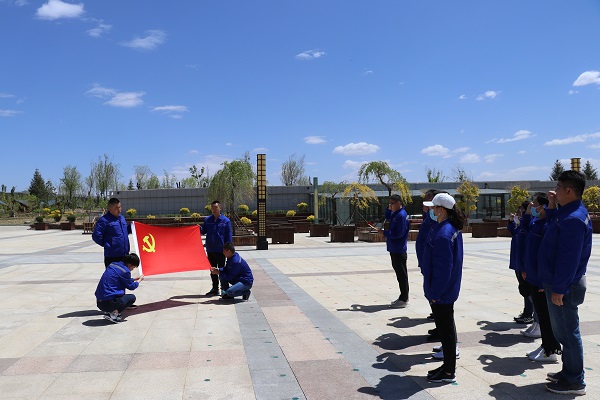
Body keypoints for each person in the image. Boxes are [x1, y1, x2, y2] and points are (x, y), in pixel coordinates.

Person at [539, 170, 591, 396]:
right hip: (562, 282)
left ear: (569, 190)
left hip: (564, 285)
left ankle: (575, 381)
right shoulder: (569, 213)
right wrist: (552, 206)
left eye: (558, 188)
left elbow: (568, 259)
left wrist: (559, 289)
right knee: (565, 332)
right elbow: (553, 227)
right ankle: (569, 372)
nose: (555, 191)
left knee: (568, 334)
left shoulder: (573, 219)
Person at [421, 193, 465, 383]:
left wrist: (436, 293)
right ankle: (447, 366)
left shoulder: (444, 233)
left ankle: (448, 371)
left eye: (433, 207)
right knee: (446, 329)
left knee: (446, 331)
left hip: (442, 292)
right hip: (445, 289)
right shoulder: (447, 228)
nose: (430, 210)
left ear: (441, 210)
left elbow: (443, 268)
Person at [521, 193, 561, 362]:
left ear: (544, 207)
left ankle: (551, 350)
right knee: (542, 315)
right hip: (533, 276)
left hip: (540, 279)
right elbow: (523, 230)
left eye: (535, 205)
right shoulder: (537, 223)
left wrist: (543, 282)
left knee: (545, 317)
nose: (532, 207)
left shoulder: (547, 226)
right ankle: (546, 346)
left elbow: (546, 256)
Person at [95, 253, 144, 323]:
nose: (132, 269)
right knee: (132, 298)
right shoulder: (125, 271)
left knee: (118, 295)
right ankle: (114, 314)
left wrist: (133, 279)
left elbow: (121, 278)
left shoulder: (113, 265)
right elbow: (131, 286)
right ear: (129, 265)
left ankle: (109, 310)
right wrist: (139, 280)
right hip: (109, 303)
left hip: (99, 302)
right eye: (133, 267)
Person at [509, 201, 535, 325]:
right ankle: (527, 312)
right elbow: (514, 233)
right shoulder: (521, 225)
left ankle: (529, 314)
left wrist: (524, 267)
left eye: (522, 210)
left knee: (528, 291)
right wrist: (511, 222)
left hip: (523, 264)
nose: (519, 212)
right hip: (518, 262)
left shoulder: (530, 225)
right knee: (524, 289)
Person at [382, 194, 410, 308]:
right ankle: (402, 296)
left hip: (399, 249)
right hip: (394, 248)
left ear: (398, 203)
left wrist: (384, 233)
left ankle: (404, 298)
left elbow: (399, 233)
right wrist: (388, 209)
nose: (390, 206)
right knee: (399, 274)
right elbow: (387, 216)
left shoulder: (401, 215)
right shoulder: (395, 213)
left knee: (402, 275)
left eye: (392, 204)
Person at [201, 200, 233, 296]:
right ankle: (215, 288)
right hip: (210, 249)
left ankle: (224, 288)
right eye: (212, 208)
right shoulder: (208, 220)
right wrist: (196, 228)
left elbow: (228, 236)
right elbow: (203, 231)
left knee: (222, 269)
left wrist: (228, 248)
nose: (214, 209)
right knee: (212, 270)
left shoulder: (225, 221)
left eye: (216, 207)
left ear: (220, 208)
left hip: (221, 250)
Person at [92, 198, 132, 268]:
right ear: (110, 209)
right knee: (113, 275)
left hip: (125, 255)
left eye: (120, 207)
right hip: (112, 257)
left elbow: (125, 232)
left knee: (125, 274)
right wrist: (108, 244)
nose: (119, 210)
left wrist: (131, 227)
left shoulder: (122, 218)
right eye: (116, 208)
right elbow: (96, 236)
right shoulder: (104, 220)